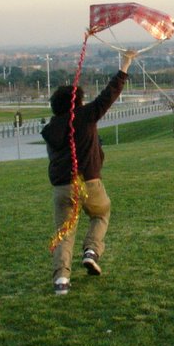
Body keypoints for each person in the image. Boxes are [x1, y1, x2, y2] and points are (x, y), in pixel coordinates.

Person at [42, 49, 137, 296]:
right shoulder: (85, 116)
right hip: (89, 183)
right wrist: (125, 64)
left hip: (62, 189)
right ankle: (91, 251)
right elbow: (109, 96)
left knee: (65, 232)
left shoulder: (51, 128)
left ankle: (61, 281)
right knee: (101, 213)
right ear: (77, 103)